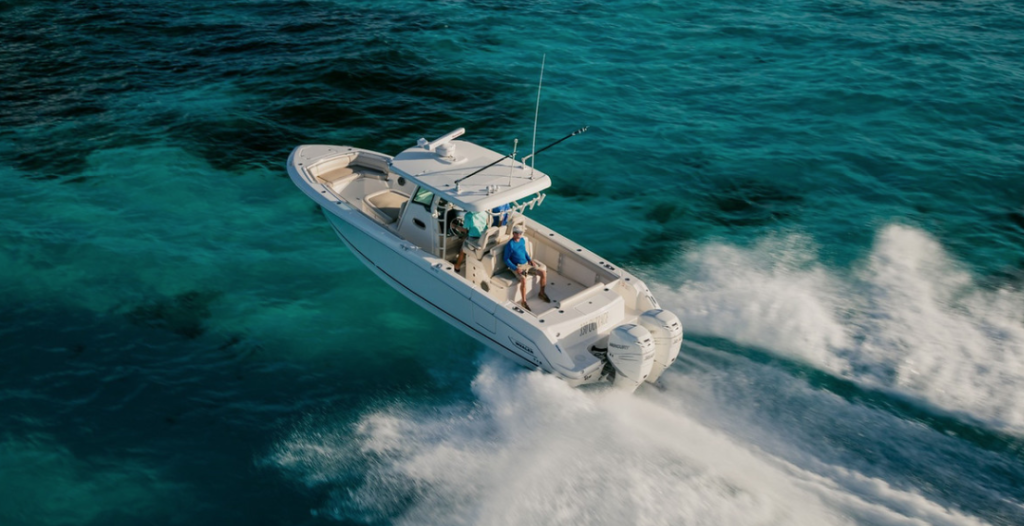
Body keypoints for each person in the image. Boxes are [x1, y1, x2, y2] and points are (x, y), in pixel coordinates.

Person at [503, 224, 550, 311]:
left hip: (526, 264)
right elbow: (506, 259)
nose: (520, 234)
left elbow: (524, 251)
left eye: (521, 233)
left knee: (543, 272)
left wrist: (529, 259)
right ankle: (524, 302)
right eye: (518, 233)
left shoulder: (522, 240)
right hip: (518, 267)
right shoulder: (510, 245)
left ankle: (541, 293)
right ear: (514, 233)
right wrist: (515, 268)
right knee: (523, 280)